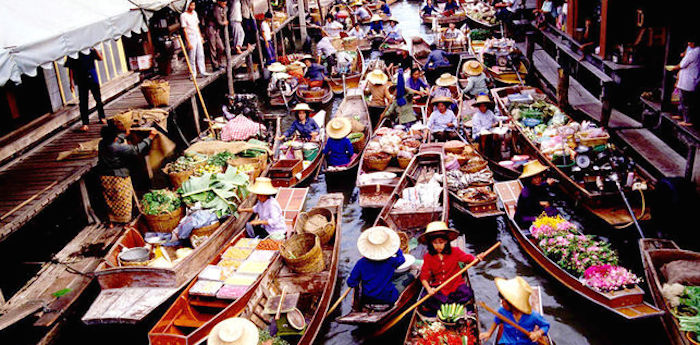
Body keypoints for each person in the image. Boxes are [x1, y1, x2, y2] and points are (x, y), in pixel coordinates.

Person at [96, 112, 156, 224]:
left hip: (104, 175)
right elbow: (136, 149)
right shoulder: (116, 148)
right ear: (113, 138)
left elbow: (116, 139)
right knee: (123, 200)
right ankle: (125, 222)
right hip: (117, 177)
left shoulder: (102, 143)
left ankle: (112, 221)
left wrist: (125, 134)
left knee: (111, 200)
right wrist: (150, 138)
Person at [418, 221, 476, 317]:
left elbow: (470, 260)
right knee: (426, 299)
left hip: (456, 284)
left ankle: (447, 306)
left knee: (467, 293)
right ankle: (448, 306)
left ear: (446, 242)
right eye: (435, 243)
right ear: (430, 243)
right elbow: (424, 277)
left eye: (441, 242)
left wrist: (477, 259)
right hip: (439, 285)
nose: (438, 246)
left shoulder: (455, 252)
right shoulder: (428, 257)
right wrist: (429, 289)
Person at [479, 277, 550, 345]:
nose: (502, 303)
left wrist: (538, 333)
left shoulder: (533, 316)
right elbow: (497, 320)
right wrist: (489, 333)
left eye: (504, 302)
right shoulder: (502, 311)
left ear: (513, 305)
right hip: (507, 342)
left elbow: (546, 325)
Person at [347, 226, 405, 305]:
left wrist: (358, 279)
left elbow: (351, 283)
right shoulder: (391, 261)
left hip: (367, 299)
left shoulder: (361, 263)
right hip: (388, 298)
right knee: (409, 276)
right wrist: (397, 250)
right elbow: (402, 259)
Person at [66, 48, 106, 132]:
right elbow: (70, 68)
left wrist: (95, 49)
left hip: (92, 77)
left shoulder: (90, 49)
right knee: (83, 102)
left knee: (98, 98)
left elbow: (100, 58)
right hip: (81, 80)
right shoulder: (73, 52)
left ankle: (102, 117)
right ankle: (85, 123)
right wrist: (71, 82)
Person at [513, 160, 558, 228]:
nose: (538, 179)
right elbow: (529, 206)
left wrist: (547, 184)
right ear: (530, 179)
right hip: (525, 217)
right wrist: (541, 203)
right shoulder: (526, 191)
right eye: (535, 178)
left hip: (536, 211)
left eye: (539, 177)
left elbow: (540, 187)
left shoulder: (536, 186)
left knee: (553, 213)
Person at [671, 38, 699, 127]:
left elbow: (683, 64)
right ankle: (681, 116)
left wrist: (673, 68)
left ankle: (688, 120)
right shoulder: (693, 50)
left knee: (686, 101)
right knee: (682, 99)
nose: (688, 43)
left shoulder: (694, 52)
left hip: (689, 79)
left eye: (690, 42)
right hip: (688, 78)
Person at [181, 1, 211, 78]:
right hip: (190, 36)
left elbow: (197, 26)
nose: (193, 7)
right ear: (188, 6)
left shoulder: (194, 13)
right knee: (192, 55)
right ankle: (192, 73)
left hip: (197, 34)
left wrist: (200, 37)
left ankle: (202, 71)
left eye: (194, 5)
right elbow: (184, 30)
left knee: (200, 54)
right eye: (191, 5)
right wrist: (188, 42)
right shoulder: (183, 15)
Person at [206, 0, 228, 70]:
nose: (225, 3)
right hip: (211, 29)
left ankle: (219, 63)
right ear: (219, 2)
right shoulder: (216, 8)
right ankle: (215, 65)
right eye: (223, 1)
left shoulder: (222, 8)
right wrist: (224, 23)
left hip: (216, 29)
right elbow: (219, 21)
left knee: (221, 47)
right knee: (213, 47)